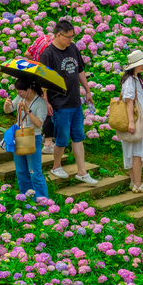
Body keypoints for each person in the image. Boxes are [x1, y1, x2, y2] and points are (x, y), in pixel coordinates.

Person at [39, 19, 98, 185]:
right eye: (68, 37)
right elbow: (43, 81)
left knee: (78, 137)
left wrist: (87, 91)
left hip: (75, 102)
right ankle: (56, 166)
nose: (71, 40)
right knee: (62, 138)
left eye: (73, 36)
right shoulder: (48, 54)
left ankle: (82, 171)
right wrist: (46, 102)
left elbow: (80, 70)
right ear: (58, 35)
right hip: (59, 103)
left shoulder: (72, 48)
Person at [3, 77, 48, 200]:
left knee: (35, 172)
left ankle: (43, 201)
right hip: (19, 137)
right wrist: (6, 105)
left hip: (33, 138)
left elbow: (39, 124)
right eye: (17, 91)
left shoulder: (41, 103)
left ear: (29, 90)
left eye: (20, 91)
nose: (18, 94)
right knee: (21, 172)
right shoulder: (20, 98)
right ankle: (26, 199)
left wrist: (28, 111)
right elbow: (8, 111)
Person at [117, 50, 143, 192]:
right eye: (141, 64)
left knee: (133, 151)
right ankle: (138, 184)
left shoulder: (134, 79)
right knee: (137, 152)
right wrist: (131, 122)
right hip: (135, 119)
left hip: (137, 118)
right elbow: (128, 102)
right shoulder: (130, 80)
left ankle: (134, 183)